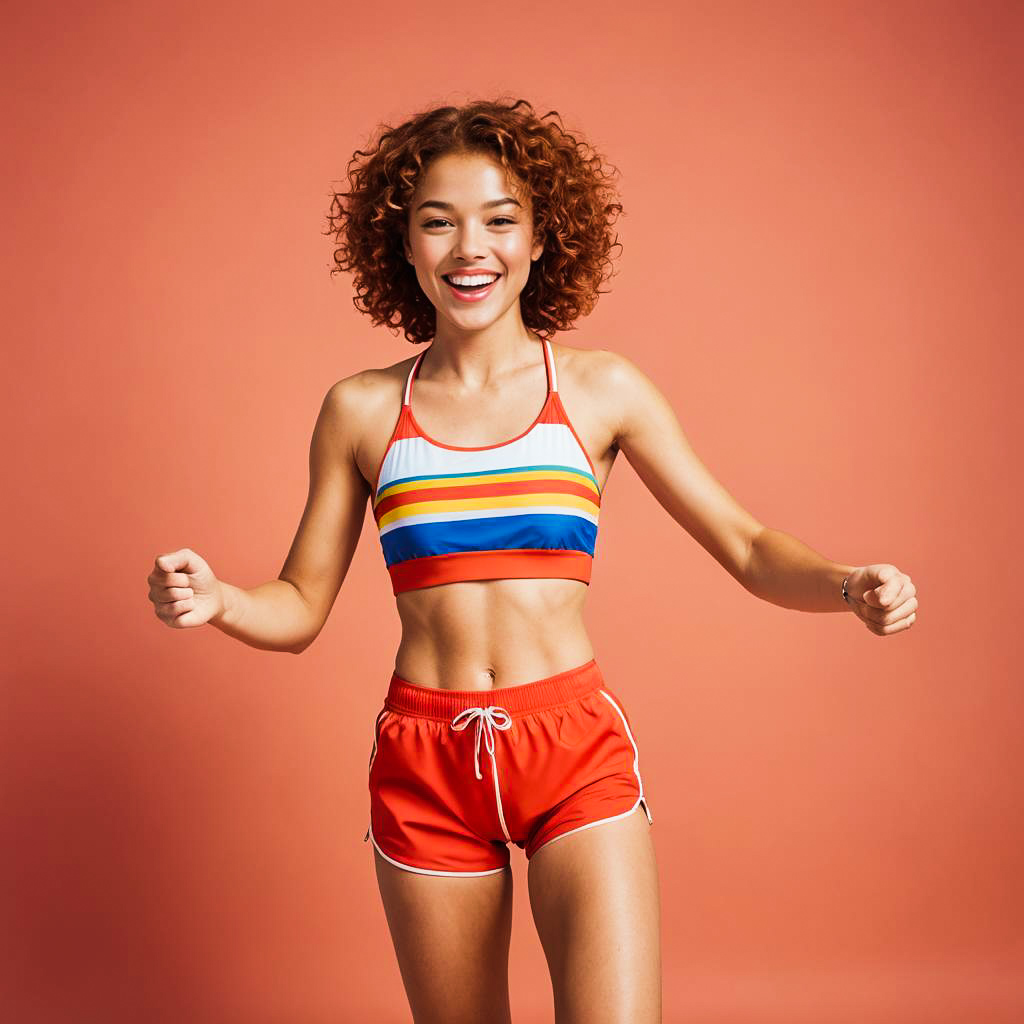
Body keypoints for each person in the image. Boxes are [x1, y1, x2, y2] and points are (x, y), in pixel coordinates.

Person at [147, 97, 918, 1024]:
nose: (470, 247)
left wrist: (846, 584)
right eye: (439, 222)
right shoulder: (359, 410)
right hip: (423, 761)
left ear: (544, 237)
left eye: (500, 220)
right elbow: (300, 606)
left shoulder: (600, 391)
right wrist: (220, 600)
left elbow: (750, 547)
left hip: (572, 748)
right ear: (404, 245)